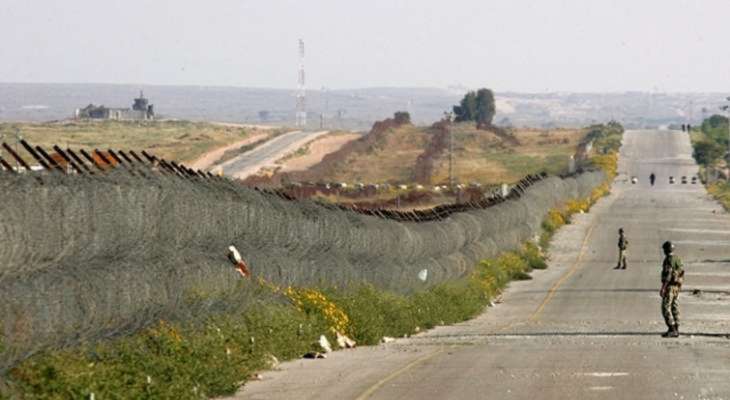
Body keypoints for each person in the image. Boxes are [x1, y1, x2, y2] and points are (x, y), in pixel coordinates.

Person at [660, 241, 684, 338]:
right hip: (677, 286)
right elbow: (682, 272)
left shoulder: (668, 260)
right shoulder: (678, 259)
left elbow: (668, 275)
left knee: (665, 307)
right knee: (675, 307)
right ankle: (676, 328)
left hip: (669, 286)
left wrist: (663, 288)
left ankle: (672, 328)